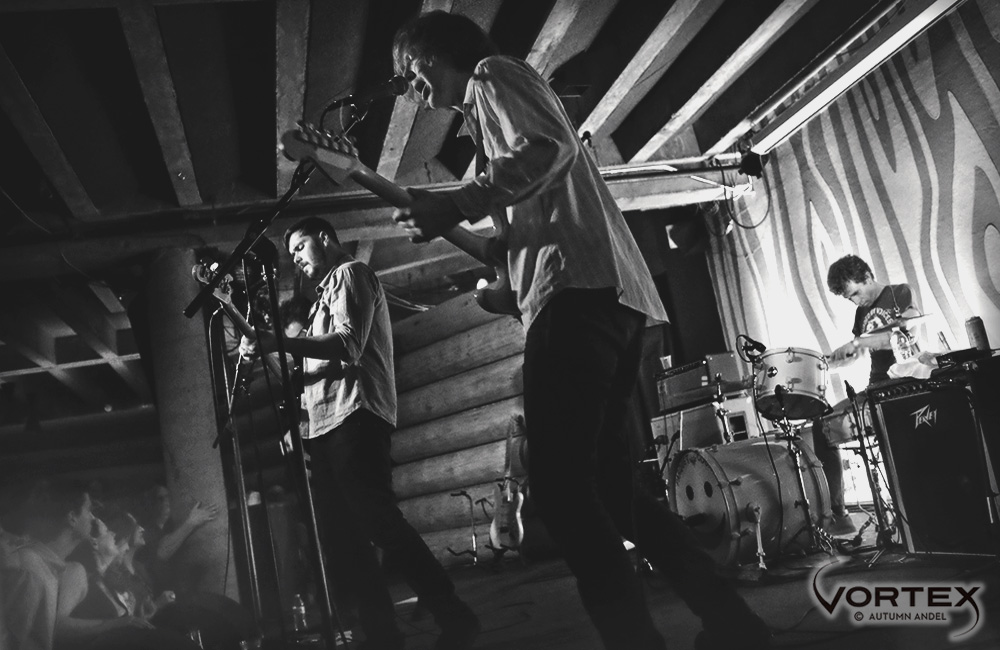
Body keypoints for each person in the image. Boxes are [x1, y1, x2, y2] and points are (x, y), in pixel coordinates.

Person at [389, 11, 770, 650]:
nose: (410, 88)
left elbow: (549, 149)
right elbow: (508, 251)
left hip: (576, 299)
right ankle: (733, 622)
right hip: (603, 301)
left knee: (563, 493)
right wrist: (469, 250)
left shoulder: (492, 74)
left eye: (411, 69)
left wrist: (454, 200)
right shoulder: (489, 134)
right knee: (617, 495)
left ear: (437, 51)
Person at [240, 216, 479, 650]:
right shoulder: (316, 307)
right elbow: (308, 373)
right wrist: (262, 345)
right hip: (325, 427)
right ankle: (382, 635)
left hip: (355, 416)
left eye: (299, 247)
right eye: (291, 253)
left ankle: (454, 614)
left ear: (325, 239)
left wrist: (276, 340)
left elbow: (348, 345)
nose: (295, 260)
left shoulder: (352, 274)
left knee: (379, 521)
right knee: (343, 540)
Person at [818, 254, 921, 535]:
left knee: (902, 447)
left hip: (904, 383)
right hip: (875, 388)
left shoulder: (899, 293)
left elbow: (905, 330)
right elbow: (859, 352)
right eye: (849, 298)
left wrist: (856, 341)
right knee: (823, 424)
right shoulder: (860, 315)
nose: (855, 301)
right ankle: (838, 514)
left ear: (866, 277)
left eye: (855, 293)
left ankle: (915, 513)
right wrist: (834, 361)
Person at [136, 484, 219, 594]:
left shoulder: (172, 525)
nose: (167, 501)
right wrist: (191, 522)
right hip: (162, 596)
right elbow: (162, 552)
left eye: (169, 497)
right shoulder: (145, 531)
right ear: (151, 502)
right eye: (161, 498)